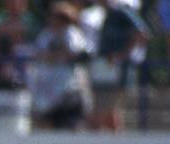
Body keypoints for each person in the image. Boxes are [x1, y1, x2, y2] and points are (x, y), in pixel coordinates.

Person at [83, 0, 150, 130]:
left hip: (117, 70)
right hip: (104, 68)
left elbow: (142, 34)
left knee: (109, 109)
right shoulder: (105, 14)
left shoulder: (122, 11)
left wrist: (122, 55)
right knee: (102, 109)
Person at [28, 0, 91, 128]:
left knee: (69, 124)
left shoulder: (72, 33)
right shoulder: (46, 34)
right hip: (48, 85)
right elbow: (38, 54)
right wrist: (54, 56)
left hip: (69, 87)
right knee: (46, 121)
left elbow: (75, 54)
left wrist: (54, 56)